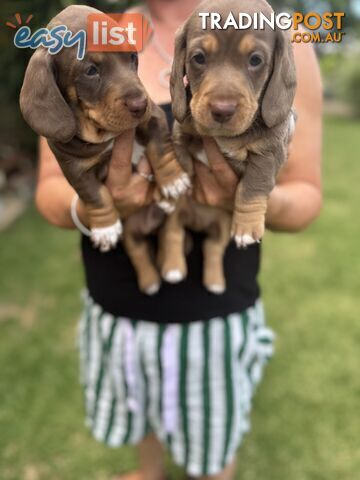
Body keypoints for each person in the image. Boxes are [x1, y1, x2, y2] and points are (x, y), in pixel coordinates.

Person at [36, 1, 322, 479]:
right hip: (118, 302)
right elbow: (51, 181)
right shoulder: (93, 33)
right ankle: (150, 470)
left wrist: (252, 200)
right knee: (139, 410)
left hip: (216, 310)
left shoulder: (281, 33)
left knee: (211, 445)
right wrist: (94, 209)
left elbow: (307, 194)